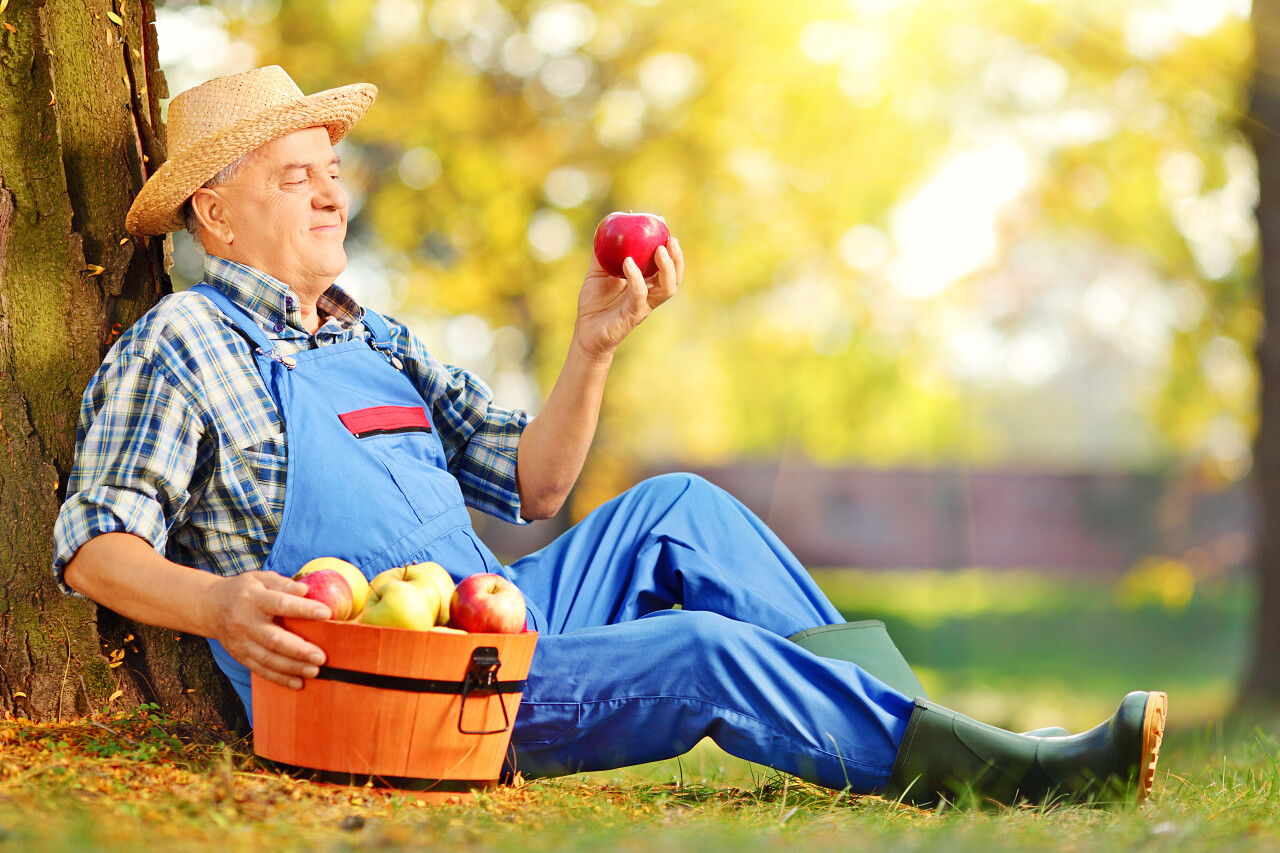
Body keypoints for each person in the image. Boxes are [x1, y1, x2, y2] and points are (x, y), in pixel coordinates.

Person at [53, 65, 1166, 808]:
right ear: (214, 213)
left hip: (491, 619)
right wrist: (220, 606)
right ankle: (1005, 774)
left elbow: (533, 485)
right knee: (699, 653)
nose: (330, 197)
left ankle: (925, 733)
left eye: (333, 173)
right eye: (295, 177)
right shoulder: (182, 342)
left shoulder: (371, 336)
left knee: (681, 506)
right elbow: (92, 545)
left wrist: (593, 348)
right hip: (394, 695)